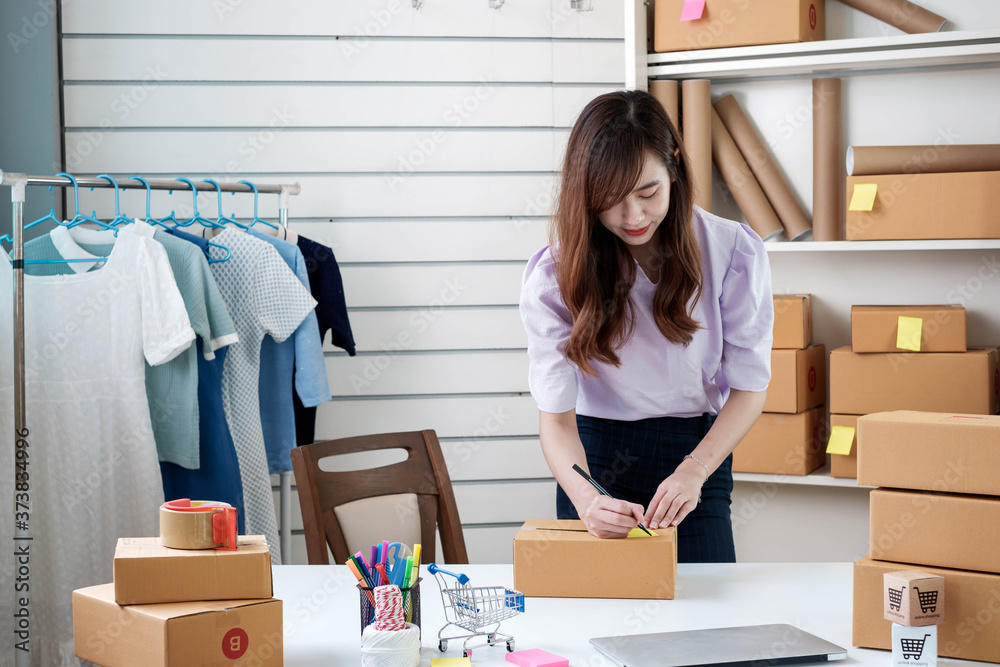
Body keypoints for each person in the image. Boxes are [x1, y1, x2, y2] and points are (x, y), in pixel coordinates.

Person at [518, 89, 774, 563]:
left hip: (696, 452)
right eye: (610, 201)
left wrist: (694, 471)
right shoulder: (555, 277)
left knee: (707, 619)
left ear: (674, 163)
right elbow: (555, 421)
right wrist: (587, 498)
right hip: (593, 454)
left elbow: (749, 389)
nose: (633, 217)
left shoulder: (732, 252)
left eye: (648, 192)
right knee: (598, 619)